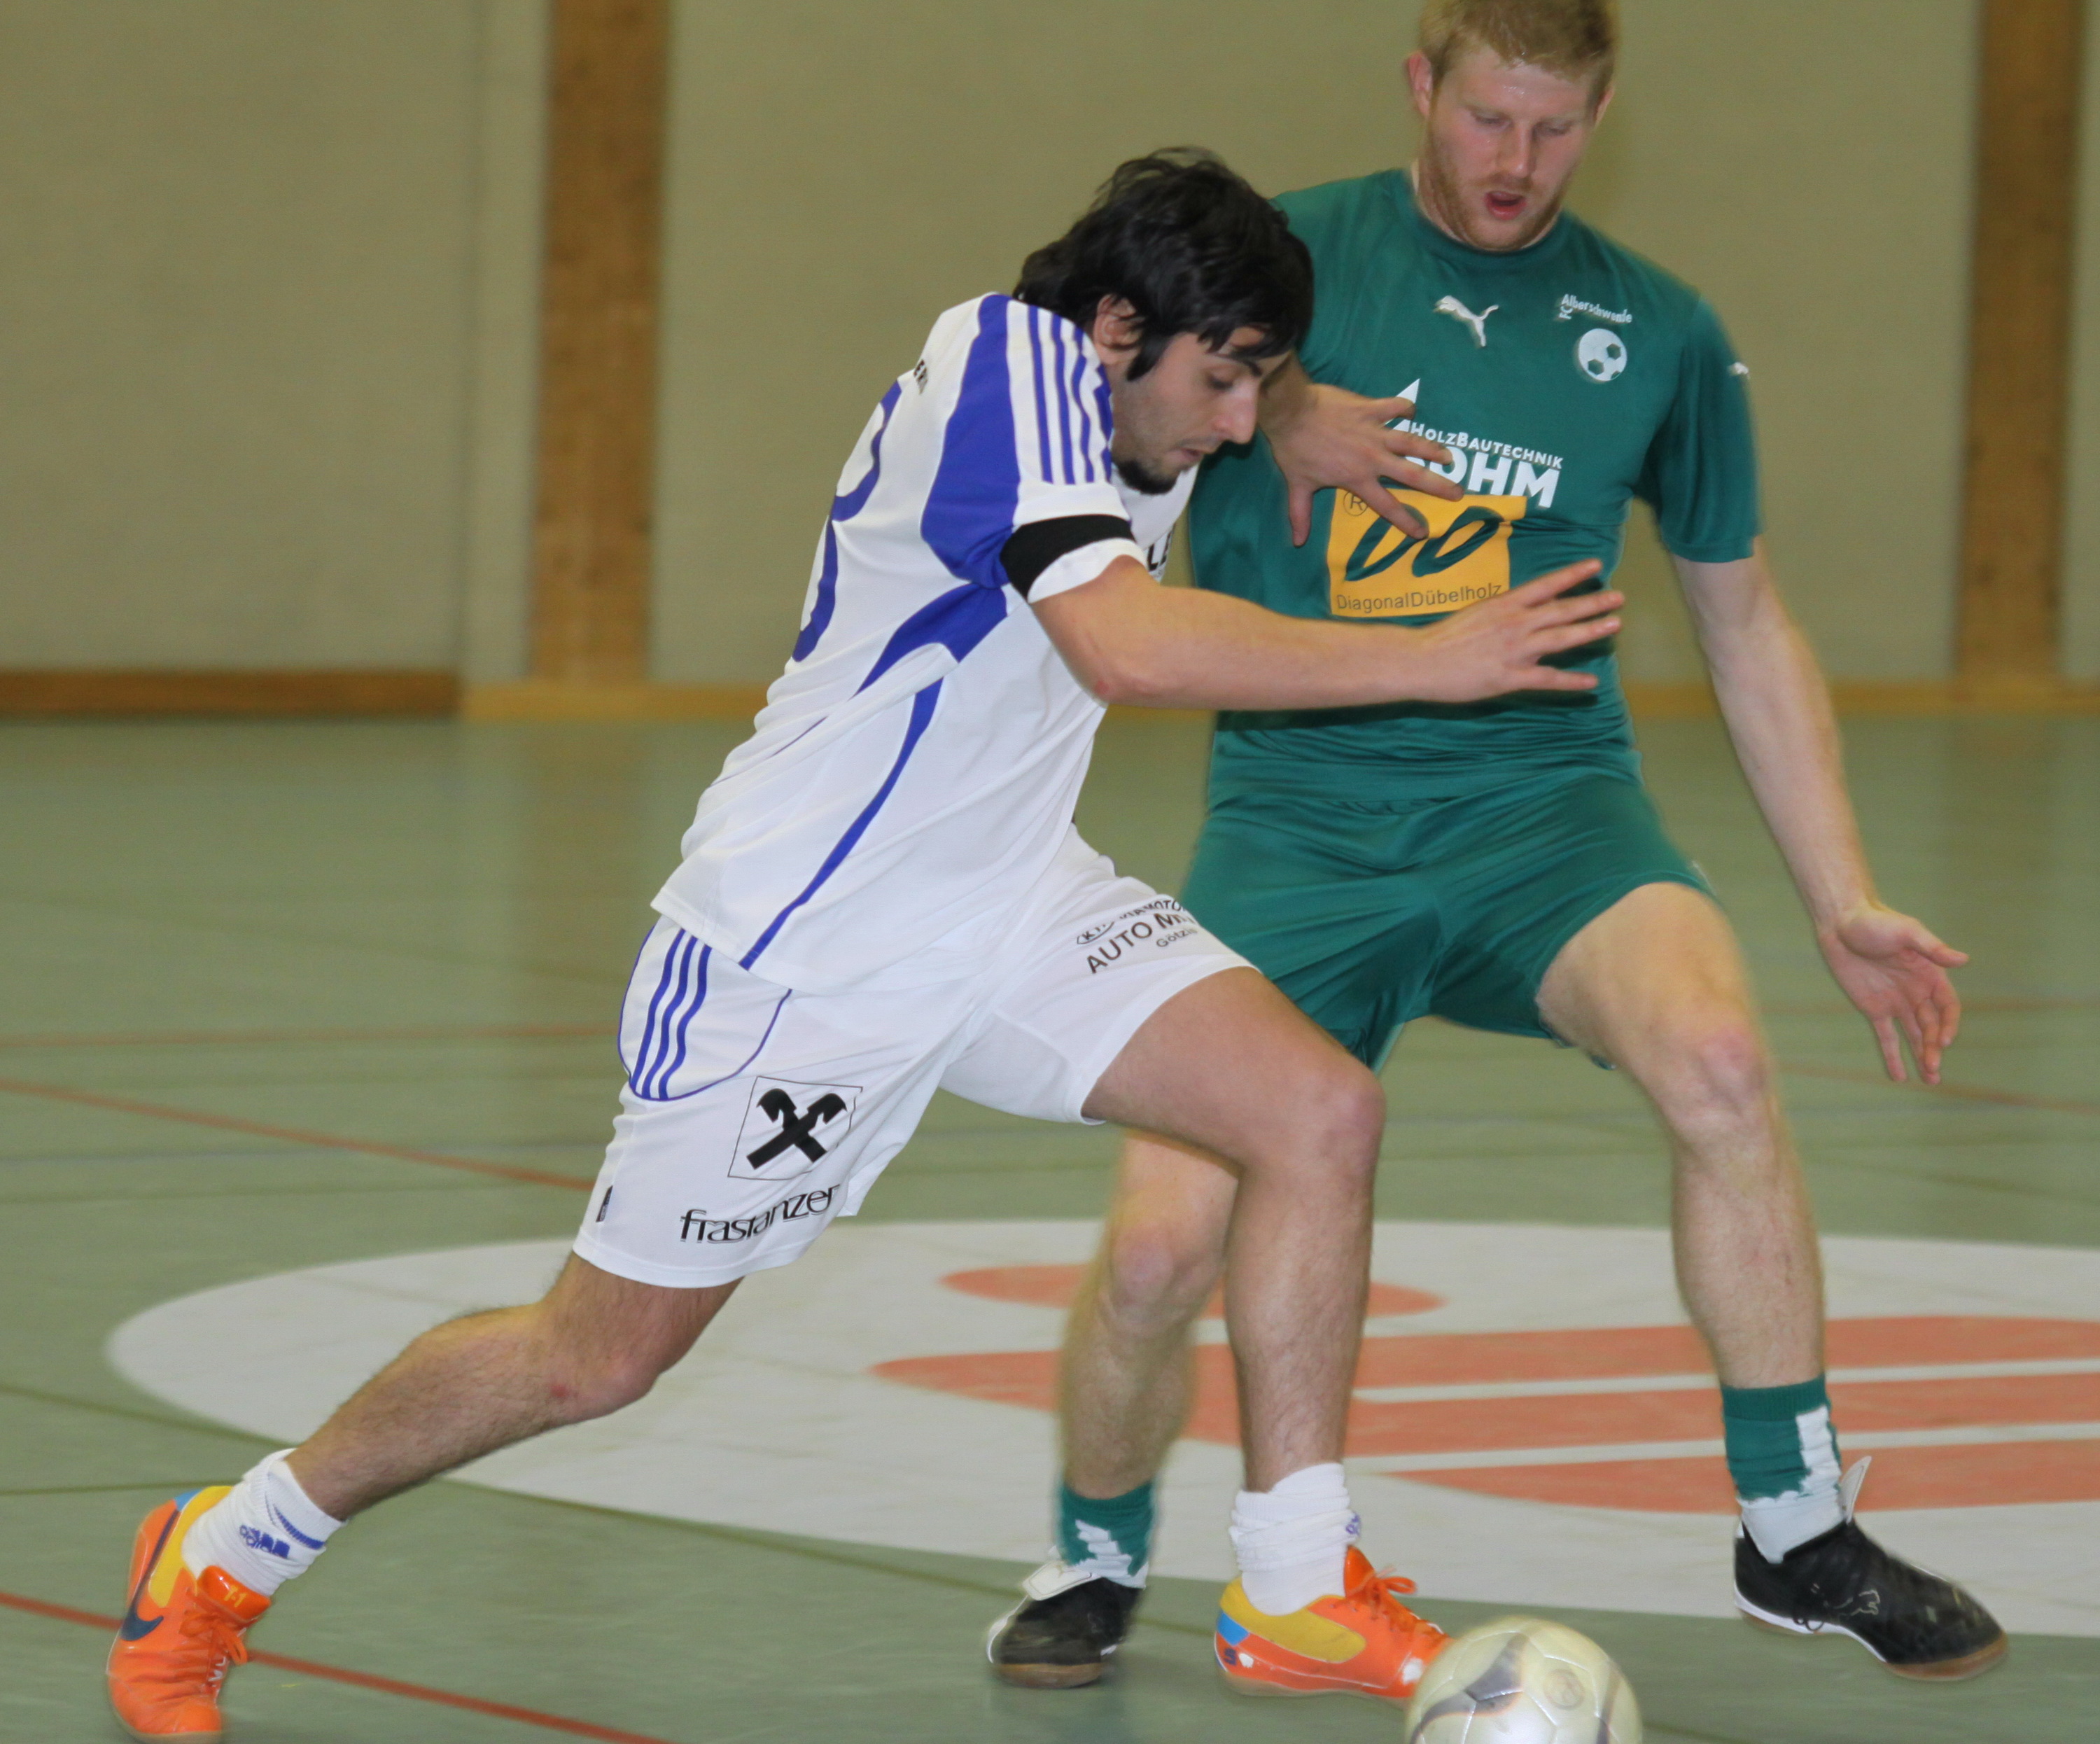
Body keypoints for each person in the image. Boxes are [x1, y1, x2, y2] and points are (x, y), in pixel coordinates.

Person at [106, 150, 1623, 1740]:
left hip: (1014, 897)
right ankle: (223, 1551)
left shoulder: (1136, 387)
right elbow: (1121, 645)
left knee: (1319, 1110)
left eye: (1259, 383)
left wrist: (1292, 403)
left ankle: (1296, 1582)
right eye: (1224, 379)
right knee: (590, 1363)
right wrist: (1425, 657)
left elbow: (1217, 410)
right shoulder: (1009, 363)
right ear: (1117, 328)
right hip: (808, 948)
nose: (1238, 421)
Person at [988, 0, 2008, 1699]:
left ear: (1602, 112)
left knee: (1721, 1061)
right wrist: (1278, 401)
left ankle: (1797, 1527)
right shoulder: (1282, 258)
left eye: (1554, 126)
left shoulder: (1662, 329)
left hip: (1550, 809)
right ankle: (1092, 1555)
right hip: (1301, 818)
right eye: (1485, 120)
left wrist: (1844, 896)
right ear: (1423, 88)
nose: (1516, 161)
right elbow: (1072, 372)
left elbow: (1745, 623)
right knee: (1163, 1244)